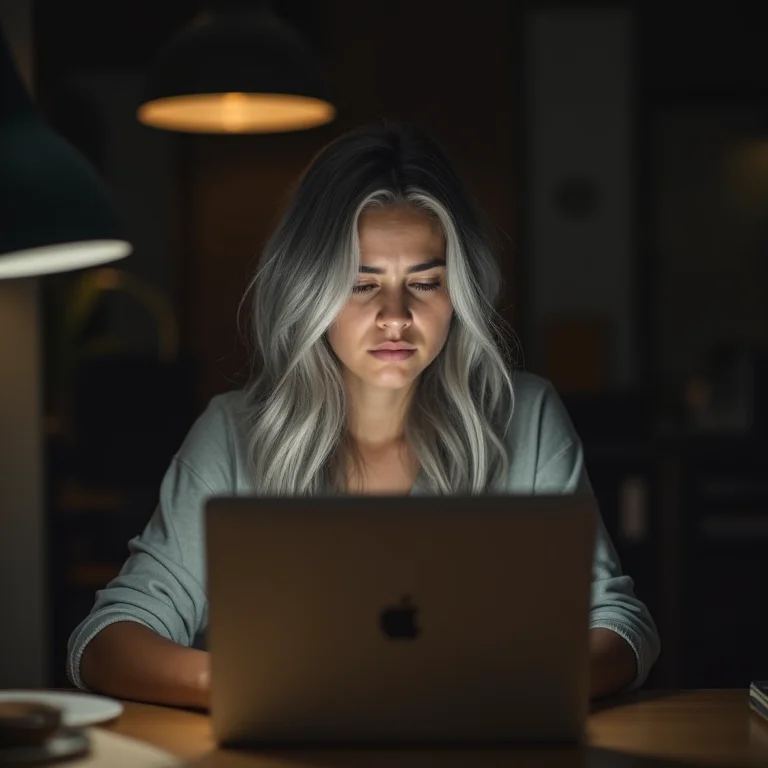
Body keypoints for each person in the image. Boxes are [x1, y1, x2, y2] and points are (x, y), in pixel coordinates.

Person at [67, 122, 660, 710]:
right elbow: (107, 640)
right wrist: (257, 686)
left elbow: (620, 624)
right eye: (360, 284)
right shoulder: (232, 432)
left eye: (425, 283)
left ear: (461, 293)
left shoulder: (525, 417)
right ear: (310, 291)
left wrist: (501, 689)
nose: (396, 316)